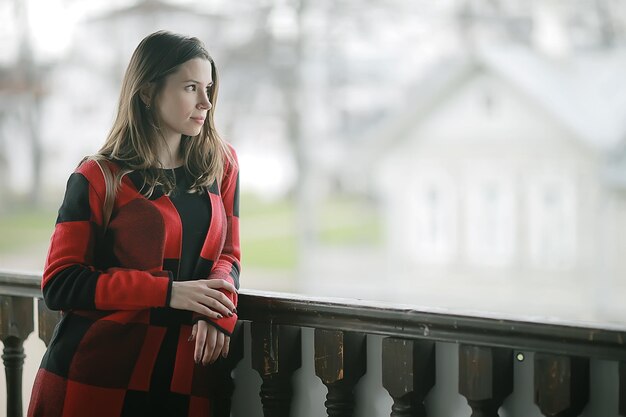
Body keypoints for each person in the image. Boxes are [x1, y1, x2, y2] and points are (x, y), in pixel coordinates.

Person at [28, 30, 241, 417]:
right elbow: (60, 284)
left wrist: (218, 310)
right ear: (147, 92)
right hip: (97, 377)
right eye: (190, 87)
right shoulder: (98, 176)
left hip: (184, 376)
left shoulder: (221, 164)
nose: (206, 102)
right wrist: (167, 292)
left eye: (209, 87)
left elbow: (228, 256)